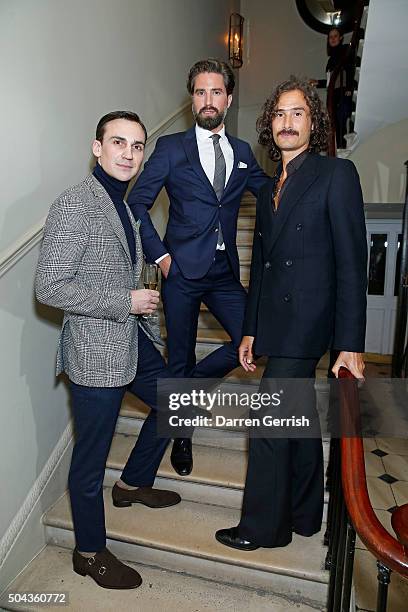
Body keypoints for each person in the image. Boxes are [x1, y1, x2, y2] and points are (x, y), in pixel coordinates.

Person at [215, 76, 367, 551]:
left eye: (297, 112)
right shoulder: (266, 190)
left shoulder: (336, 175)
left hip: (309, 326)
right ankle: (304, 516)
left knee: (267, 427)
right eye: (279, 113)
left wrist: (351, 343)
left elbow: (351, 262)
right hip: (274, 326)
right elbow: (261, 268)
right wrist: (249, 331)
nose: (287, 121)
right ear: (269, 124)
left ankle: (262, 529)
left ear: (314, 122)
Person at [35, 111, 181, 589]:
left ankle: (133, 483)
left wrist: (142, 298)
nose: (129, 153)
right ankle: (89, 552)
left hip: (133, 340)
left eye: (137, 146)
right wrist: (125, 300)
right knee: (90, 459)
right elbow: (50, 285)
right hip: (95, 353)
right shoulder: (77, 203)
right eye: (118, 143)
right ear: (97, 148)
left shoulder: (125, 203)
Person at [127, 58, 268, 476]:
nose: (208, 100)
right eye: (200, 92)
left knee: (258, 338)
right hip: (181, 274)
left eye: (216, 92)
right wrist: (162, 257)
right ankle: (182, 436)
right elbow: (137, 204)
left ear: (229, 97)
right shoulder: (171, 148)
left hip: (224, 273)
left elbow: (271, 193)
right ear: (192, 99)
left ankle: (182, 395)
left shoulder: (242, 154)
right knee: (179, 359)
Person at [311, 27, 354, 149]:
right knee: (335, 123)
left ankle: (342, 147)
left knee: (341, 119)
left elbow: (349, 72)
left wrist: (349, 89)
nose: (333, 39)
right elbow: (332, 81)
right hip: (334, 95)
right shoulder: (331, 60)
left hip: (344, 93)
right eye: (331, 37)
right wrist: (318, 82)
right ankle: (338, 147)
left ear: (340, 38)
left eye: (335, 36)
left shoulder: (346, 51)